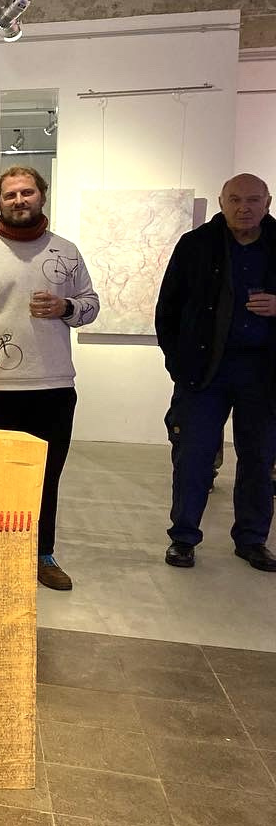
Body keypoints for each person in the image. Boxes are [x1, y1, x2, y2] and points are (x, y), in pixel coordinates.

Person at [0, 167, 99, 591]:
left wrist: (67, 307)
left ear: (41, 195)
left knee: (47, 476)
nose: (19, 200)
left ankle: (41, 552)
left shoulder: (66, 252)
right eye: (10, 194)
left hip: (54, 386)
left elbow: (90, 304)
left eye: (27, 192)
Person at [155, 173, 276, 572]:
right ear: (222, 203)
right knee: (193, 457)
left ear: (268, 203)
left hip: (263, 372)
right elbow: (168, 310)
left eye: (253, 200)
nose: (244, 208)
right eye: (235, 200)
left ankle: (252, 540)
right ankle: (183, 538)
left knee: (259, 458)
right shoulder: (196, 245)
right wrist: (177, 363)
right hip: (204, 372)